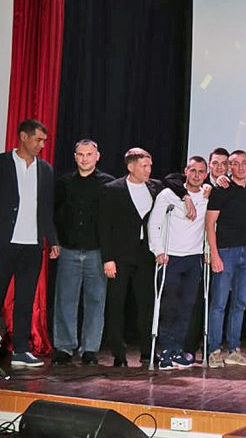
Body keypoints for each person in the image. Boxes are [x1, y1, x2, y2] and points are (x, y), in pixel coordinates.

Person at [0, 119, 59, 367]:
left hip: (32, 246)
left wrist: (52, 239)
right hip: (3, 243)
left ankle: (21, 350)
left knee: (25, 300)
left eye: (44, 141)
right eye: (38, 139)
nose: (42, 145)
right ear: (23, 137)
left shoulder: (45, 169)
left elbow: (46, 208)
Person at [99, 147, 164, 367]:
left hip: (145, 256)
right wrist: (108, 258)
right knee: (117, 304)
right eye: (144, 166)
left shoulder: (156, 188)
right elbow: (104, 226)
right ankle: (119, 353)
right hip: (119, 257)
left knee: (146, 304)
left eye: (150, 166)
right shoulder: (112, 189)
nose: (148, 170)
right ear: (131, 166)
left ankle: (147, 351)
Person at [52, 139, 114, 366]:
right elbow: (54, 214)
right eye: (80, 154)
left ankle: (89, 349)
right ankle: (64, 347)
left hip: (97, 251)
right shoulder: (64, 183)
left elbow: (112, 222)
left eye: (89, 154)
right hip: (68, 250)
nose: (84, 158)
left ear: (97, 156)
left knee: (95, 301)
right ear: (75, 156)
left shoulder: (108, 184)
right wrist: (56, 242)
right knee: (65, 301)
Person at [148, 156, 209, 370]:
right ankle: (165, 350)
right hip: (170, 257)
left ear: (206, 175)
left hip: (193, 259)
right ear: (186, 171)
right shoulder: (168, 194)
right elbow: (154, 223)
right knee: (169, 306)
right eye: (193, 170)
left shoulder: (207, 195)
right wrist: (158, 250)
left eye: (201, 172)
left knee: (187, 307)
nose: (196, 175)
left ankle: (177, 350)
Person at [205, 150, 246, 368]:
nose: (241, 167)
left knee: (240, 303)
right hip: (225, 252)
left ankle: (234, 350)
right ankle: (214, 350)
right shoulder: (221, 190)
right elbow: (210, 225)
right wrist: (214, 254)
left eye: (244, 163)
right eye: (235, 164)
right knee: (219, 303)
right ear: (229, 167)